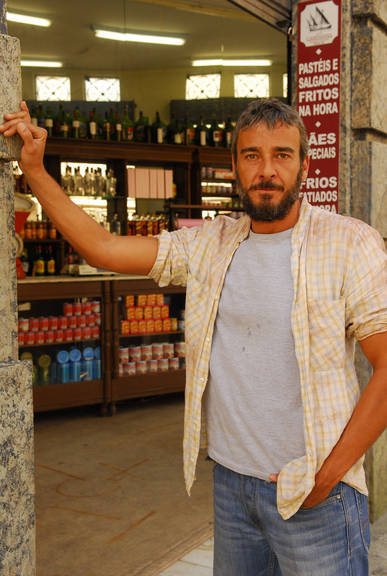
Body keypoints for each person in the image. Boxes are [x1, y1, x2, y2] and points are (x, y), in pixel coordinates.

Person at [1, 99, 386, 576]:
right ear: (234, 167)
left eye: (282, 155)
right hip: (231, 487)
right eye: (252, 156)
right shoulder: (210, 243)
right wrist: (34, 171)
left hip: (316, 495)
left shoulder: (349, 243)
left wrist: (327, 478)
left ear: (305, 165)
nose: (267, 171)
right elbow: (103, 246)